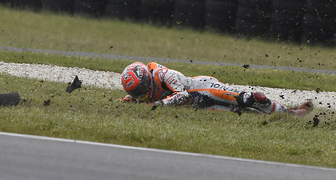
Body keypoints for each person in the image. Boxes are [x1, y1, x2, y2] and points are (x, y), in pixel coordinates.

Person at [120, 61, 313, 115]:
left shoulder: (163, 75)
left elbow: (182, 95)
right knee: (241, 114)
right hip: (198, 105)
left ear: (147, 77)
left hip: (202, 88)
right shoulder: (140, 94)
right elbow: (133, 100)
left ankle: (292, 112)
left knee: (245, 100)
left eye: (143, 86)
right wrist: (125, 100)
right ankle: (284, 115)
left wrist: (157, 106)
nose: (142, 93)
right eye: (137, 91)